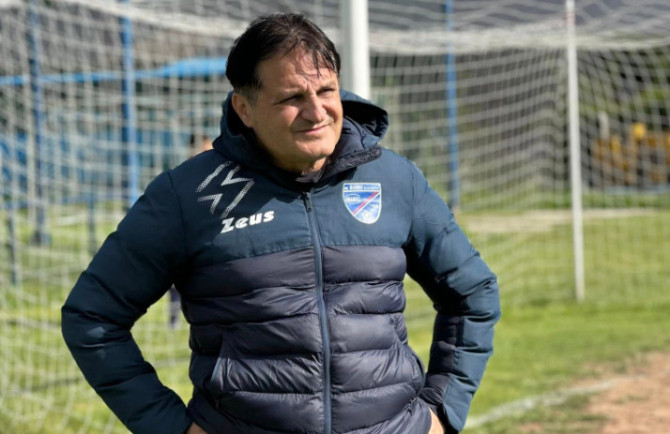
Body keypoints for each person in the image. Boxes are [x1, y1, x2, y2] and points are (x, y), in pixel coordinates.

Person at [61, 13, 500, 434]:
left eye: (326, 90)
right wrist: (171, 427)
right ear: (245, 108)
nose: (317, 111)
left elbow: (472, 292)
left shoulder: (396, 179)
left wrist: (442, 410)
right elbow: (92, 316)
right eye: (292, 98)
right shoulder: (189, 195)